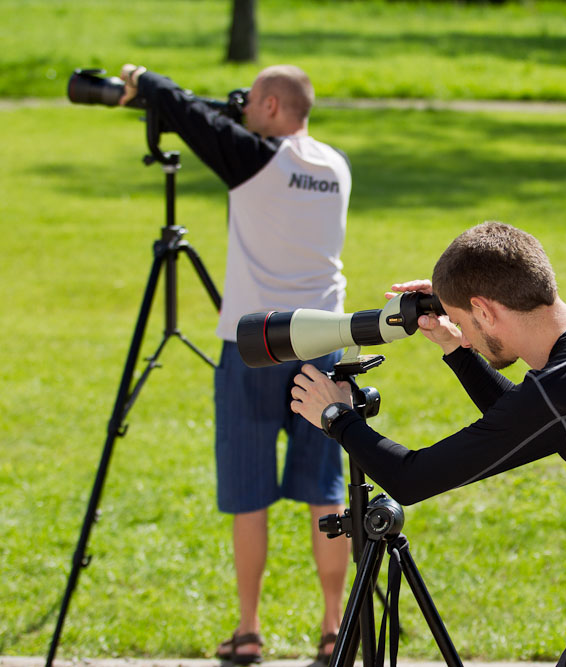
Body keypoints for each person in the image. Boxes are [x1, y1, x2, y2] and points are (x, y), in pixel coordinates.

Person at [289, 221, 566, 666]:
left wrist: (337, 417)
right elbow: (532, 418)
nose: (464, 332)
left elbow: (411, 478)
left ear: (486, 309)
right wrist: (457, 347)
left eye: (466, 321)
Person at [118, 64, 352, 664]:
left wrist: (143, 80)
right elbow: (242, 133)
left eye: (254, 104)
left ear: (272, 105)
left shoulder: (255, 163)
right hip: (323, 341)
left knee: (249, 494)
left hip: (253, 345)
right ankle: (333, 629)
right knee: (327, 490)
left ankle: (248, 630)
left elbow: (193, 118)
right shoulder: (334, 166)